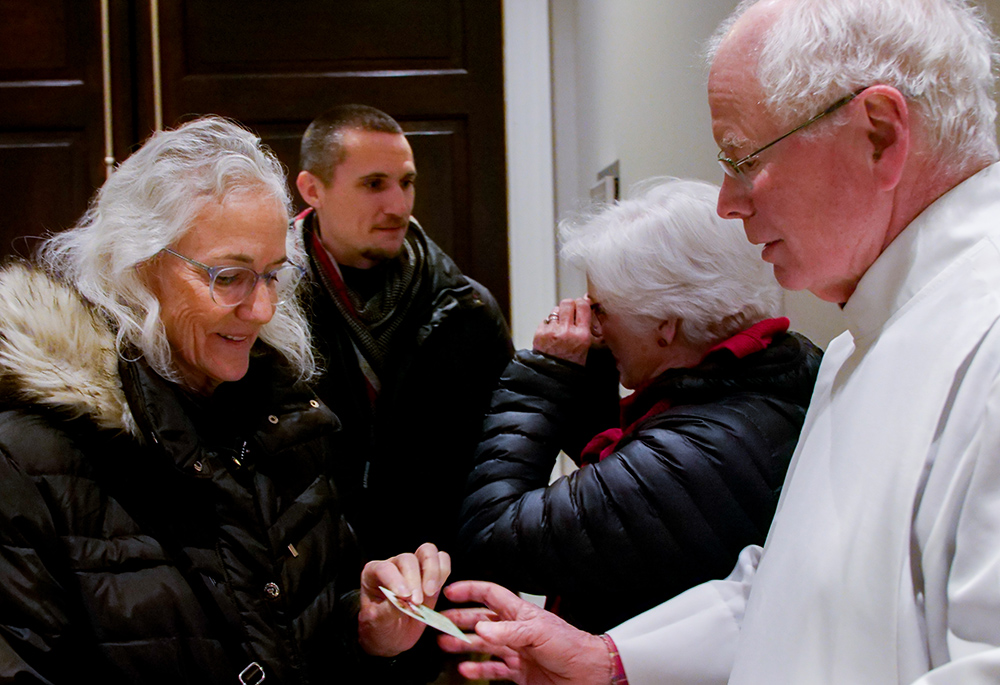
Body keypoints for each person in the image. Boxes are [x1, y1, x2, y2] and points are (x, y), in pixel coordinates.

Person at [436, 0, 1000, 683]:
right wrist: (608, 658)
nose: (728, 202)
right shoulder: (857, 344)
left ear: (878, 133)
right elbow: (788, 594)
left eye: (742, 157)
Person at [0, 116, 451, 683]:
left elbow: (294, 641)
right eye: (230, 276)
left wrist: (364, 634)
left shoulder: (285, 422)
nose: (261, 309)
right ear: (136, 266)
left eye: (271, 275)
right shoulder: (26, 459)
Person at [457, 178, 821, 633]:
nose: (593, 325)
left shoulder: (690, 456)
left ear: (665, 327)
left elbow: (491, 538)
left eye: (601, 309)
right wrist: (587, 375)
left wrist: (542, 379)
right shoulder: (777, 371)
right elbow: (623, 482)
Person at [293, 104, 513, 563]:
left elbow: (501, 456)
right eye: (374, 184)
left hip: (440, 579)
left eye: (406, 182)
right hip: (310, 584)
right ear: (313, 189)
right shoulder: (265, 311)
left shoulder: (466, 309)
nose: (398, 206)